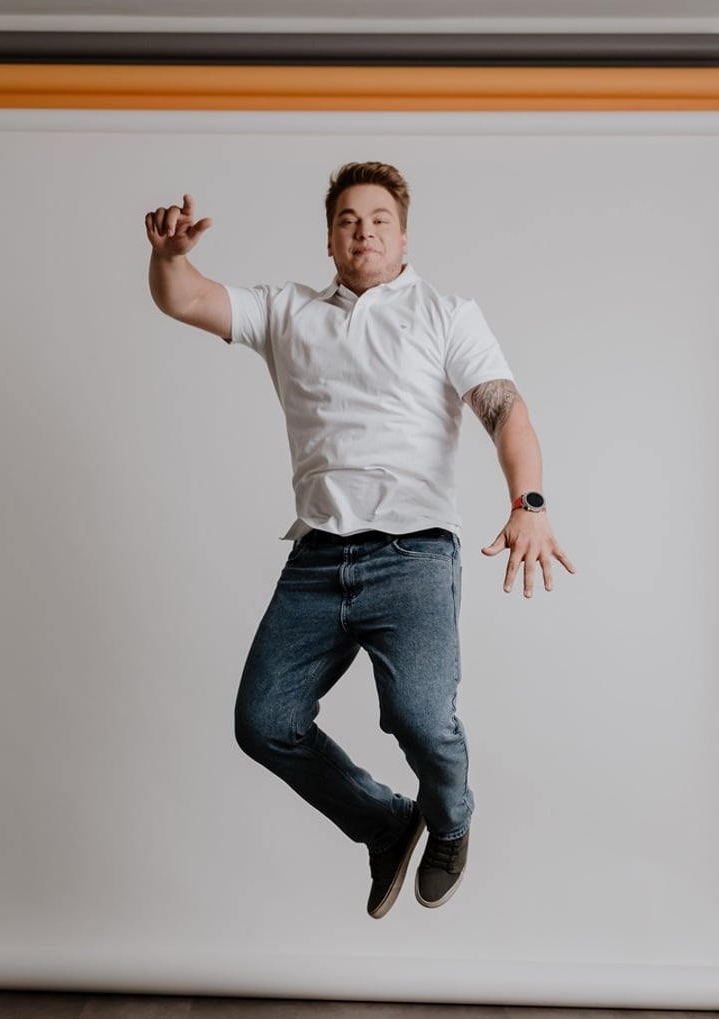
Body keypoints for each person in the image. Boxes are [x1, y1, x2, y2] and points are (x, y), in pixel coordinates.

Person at [145, 161, 574, 919]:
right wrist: (170, 257)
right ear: (329, 239)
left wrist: (528, 500)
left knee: (419, 718)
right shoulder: (287, 311)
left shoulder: (445, 314)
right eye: (347, 220)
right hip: (316, 557)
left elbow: (507, 411)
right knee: (263, 723)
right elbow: (186, 297)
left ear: (403, 237)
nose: (363, 231)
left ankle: (451, 820)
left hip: (414, 556)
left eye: (379, 219)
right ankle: (384, 822)